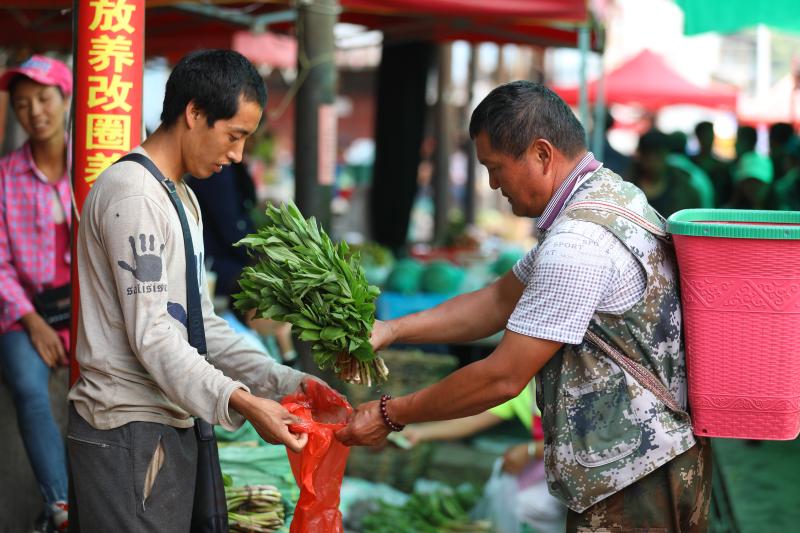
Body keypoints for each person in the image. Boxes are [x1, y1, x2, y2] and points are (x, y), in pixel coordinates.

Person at [338, 81, 711, 531]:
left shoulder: (577, 242)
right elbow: (498, 299)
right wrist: (390, 330)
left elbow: (502, 377)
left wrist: (388, 414)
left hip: (633, 477)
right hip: (654, 458)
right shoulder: (608, 194)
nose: (493, 184)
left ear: (541, 154)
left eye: (495, 168)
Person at [67, 50, 325, 531]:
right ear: (194, 114)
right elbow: (155, 336)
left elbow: (200, 327)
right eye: (234, 136)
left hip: (165, 425)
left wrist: (288, 383)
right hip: (127, 430)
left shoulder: (179, 195)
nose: (237, 155)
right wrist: (244, 402)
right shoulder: (134, 195)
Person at [0, 55, 73, 533]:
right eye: (22, 104)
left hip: (86, 310)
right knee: (28, 387)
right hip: (24, 312)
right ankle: (61, 507)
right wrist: (33, 322)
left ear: (66, 99)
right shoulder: (5, 177)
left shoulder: (94, 167)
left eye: (44, 99)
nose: (35, 112)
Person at [400, 385, 566, 533]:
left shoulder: (573, 382)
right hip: (554, 466)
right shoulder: (522, 388)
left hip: (584, 468)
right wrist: (419, 433)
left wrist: (531, 450)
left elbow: (586, 440)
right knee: (524, 506)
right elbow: (473, 420)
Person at [630, 128, 702, 217]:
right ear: (641, 156)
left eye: (658, 154)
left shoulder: (685, 190)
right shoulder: (625, 185)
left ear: (666, 154)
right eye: (648, 154)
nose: (653, 160)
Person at [691, 121, 732, 207]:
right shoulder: (689, 164)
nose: (709, 139)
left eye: (711, 135)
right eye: (705, 135)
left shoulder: (723, 167)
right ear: (698, 137)